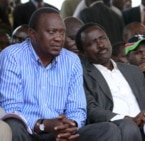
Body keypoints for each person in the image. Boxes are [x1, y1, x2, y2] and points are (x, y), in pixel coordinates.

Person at [0, 7, 121, 141]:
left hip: (60, 134)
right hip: (28, 131)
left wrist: (70, 126)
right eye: (51, 32)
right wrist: (43, 125)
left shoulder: (71, 60)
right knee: (13, 125)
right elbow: (11, 109)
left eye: (62, 33)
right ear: (32, 33)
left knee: (109, 130)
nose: (58, 38)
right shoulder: (12, 56)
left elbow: (77, 109)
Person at [75, 22, 145, 141]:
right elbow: (92, 110)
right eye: (92, 43)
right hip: (116, 127)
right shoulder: (81, 75)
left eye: (102, 38)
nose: (100, 44)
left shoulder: (133, 71)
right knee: (129, 127)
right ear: (82, 52)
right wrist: (129, 119)